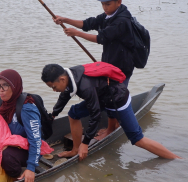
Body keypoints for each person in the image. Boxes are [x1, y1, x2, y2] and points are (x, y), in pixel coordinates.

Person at [41, 63, 180, 161]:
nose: (54, 90)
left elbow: (95, 116)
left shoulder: (85, 87)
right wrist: (54, 114)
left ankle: (175, 158)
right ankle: (74, 150)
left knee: (137, 139)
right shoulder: (70, 75)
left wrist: (86, 143)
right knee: (73, 113)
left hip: (118, 100)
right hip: (102, 98)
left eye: (53, 87)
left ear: (62, 79)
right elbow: (65, 94)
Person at [52, 0, 134, 141]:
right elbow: (89, 23)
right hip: (108, 64)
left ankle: (111, 127)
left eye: (107, 4)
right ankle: (112, 123)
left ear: (119, 2)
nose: (104, 7)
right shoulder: (108, 15)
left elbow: (101, 38)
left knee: (113, 96)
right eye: (102, 4)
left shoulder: (122, 20)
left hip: (121, 67)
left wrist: (77, 34)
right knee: (107, 93)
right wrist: (65, 19)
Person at [0, 69, 43, 182]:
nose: (1, 90)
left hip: (26, 148)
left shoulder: (27, 109)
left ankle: (17, 177)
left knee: (7, 156)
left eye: (5, 86)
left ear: (14, 86)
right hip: (8, 142)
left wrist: (31, 168)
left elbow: (36, 141)